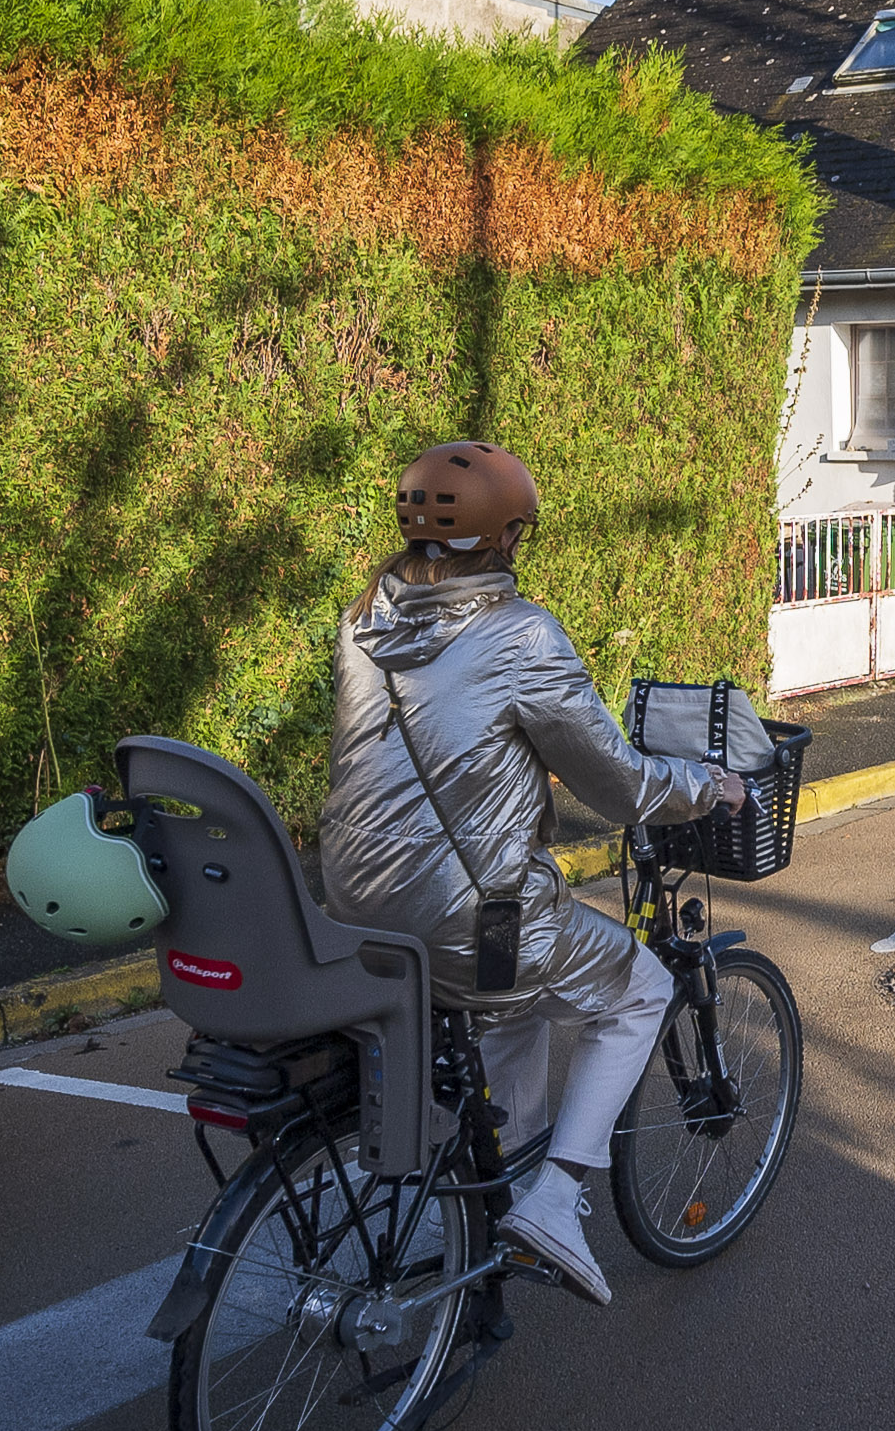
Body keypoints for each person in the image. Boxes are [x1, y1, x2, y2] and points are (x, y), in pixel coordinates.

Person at [317, 440, 745, 1306]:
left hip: (357, 903)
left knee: (511, 1006)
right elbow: (618, 782)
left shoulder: (363, 618)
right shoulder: (519, 635)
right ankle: (555, 1197)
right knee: (640, 988)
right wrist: (706, 786)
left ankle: (494, 1197)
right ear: (508, 533)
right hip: (464, 917)